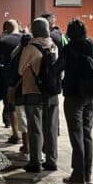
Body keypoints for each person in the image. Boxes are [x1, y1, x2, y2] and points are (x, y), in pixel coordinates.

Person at [55, 18, 93, 184]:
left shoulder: (68, 48)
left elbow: (57, 68)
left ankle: (78, 174)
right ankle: (87, 174)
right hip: (91, 95)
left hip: (74, 95)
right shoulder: (91, 45)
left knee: (76, 134)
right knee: (87, 133)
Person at [19, 17, 59, 173]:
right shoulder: (54, 46)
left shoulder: (30, 48)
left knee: (35, 129)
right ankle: (51, 161)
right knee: (51, 128)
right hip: (52, 94)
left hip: (32, 92)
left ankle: (35, 162)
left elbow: (21, 70)